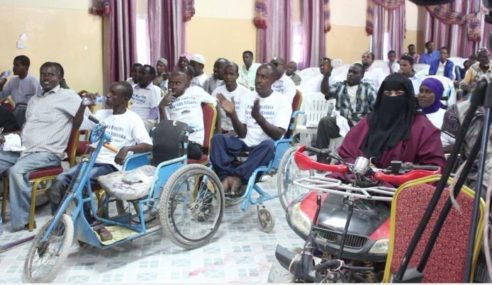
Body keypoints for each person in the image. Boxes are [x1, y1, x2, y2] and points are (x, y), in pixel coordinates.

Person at [0, 62, 87, 231]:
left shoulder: (69, 96)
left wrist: (83, 106)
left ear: (60, 77)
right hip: (22, 148)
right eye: (43, 74)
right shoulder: (35, 99)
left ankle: (23, 221)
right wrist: (10, 138)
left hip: (47, 152)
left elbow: (82, 123)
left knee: (16, 171)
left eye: (51, 74)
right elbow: (28, 128)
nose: (46, 78)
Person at [46, 81, 153, 209]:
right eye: (109, 92)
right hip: (92, 161)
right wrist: (82, 106)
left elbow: (148, 145)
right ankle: (58, 220)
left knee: (81, 181)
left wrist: (127, 148)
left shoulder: (133, 119)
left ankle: (89, 220)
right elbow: (76, 125)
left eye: (113, 93)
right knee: (60, 179)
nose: (107, 95)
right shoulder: (101, 115)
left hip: (111, 164)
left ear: (125, 98)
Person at [210, 64, 292, 195]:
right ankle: (225, 177)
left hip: (263, 147)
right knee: (217, 140)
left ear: (273, 80)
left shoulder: (282, 101)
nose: (259, 80)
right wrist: (233, 115)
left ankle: (237, 177)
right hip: (244, 143)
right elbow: (241, 133)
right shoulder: (247, 97)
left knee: (269, 145)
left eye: (264, 77)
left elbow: (278, 135)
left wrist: (260, 119)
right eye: (257, 76)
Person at [338, 73, 445, 169]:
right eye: (388, 94)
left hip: (400, 186)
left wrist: (406, 169)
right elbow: (346, 152)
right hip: (357, 181)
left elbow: (435, 167)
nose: (393, 98)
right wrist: (363, 167)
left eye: (398, 93)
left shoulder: (422, 127)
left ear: (408, 97)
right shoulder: (368, 122)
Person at [316, 63, 377, 161]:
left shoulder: (367, 88)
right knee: (325, 122)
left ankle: (361, 162)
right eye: (349, 71)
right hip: (342, 123)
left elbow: (376, 107)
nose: (350, 74)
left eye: (355, 72)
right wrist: (326, 76)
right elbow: (326, 92)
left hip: (361, 125)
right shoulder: (340, 86)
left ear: (362, 76)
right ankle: (322, 161)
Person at [159, 70, 217, 160]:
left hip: (193, 141)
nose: (173, 86)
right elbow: (166, 128)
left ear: (186, 85)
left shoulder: (195, 91)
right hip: (175, 140)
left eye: (177, 83)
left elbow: (215, 104)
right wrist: (162, 107)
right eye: (170, 83)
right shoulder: (166, 100)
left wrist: (218, 130)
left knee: (194, 151)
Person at [212, 62, 253, 133]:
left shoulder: (246, 93)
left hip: (240, 132)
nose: (228, 77)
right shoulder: (217, 92)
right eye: (226, 74)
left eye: (231, 74)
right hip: (221, 131)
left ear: (237, 76)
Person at [0, 55, 40, 128]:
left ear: (26, 67)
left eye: (16, 65)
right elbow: (2, 96)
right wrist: (0, 86)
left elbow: (40, 99)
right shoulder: (13, 81)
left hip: (30, 112)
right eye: (13, 65)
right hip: (17, 110)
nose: (13, 68)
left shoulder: (34, 81)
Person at [417, 77, 454, 148]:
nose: (422, 95)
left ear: (437, 95)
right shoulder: (414, 115)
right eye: (421, 91)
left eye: (428, 91)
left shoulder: (448, 116)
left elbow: (457, 144)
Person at [129, 64, 162, 130]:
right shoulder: (132, 88)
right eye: (140, 72)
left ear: (151, 77)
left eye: (143, 73)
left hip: (143, 123)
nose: (139, 75)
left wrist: (144, 126)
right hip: (129, 119)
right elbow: (128, 104)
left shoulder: (155, 90)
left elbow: (154, 113)